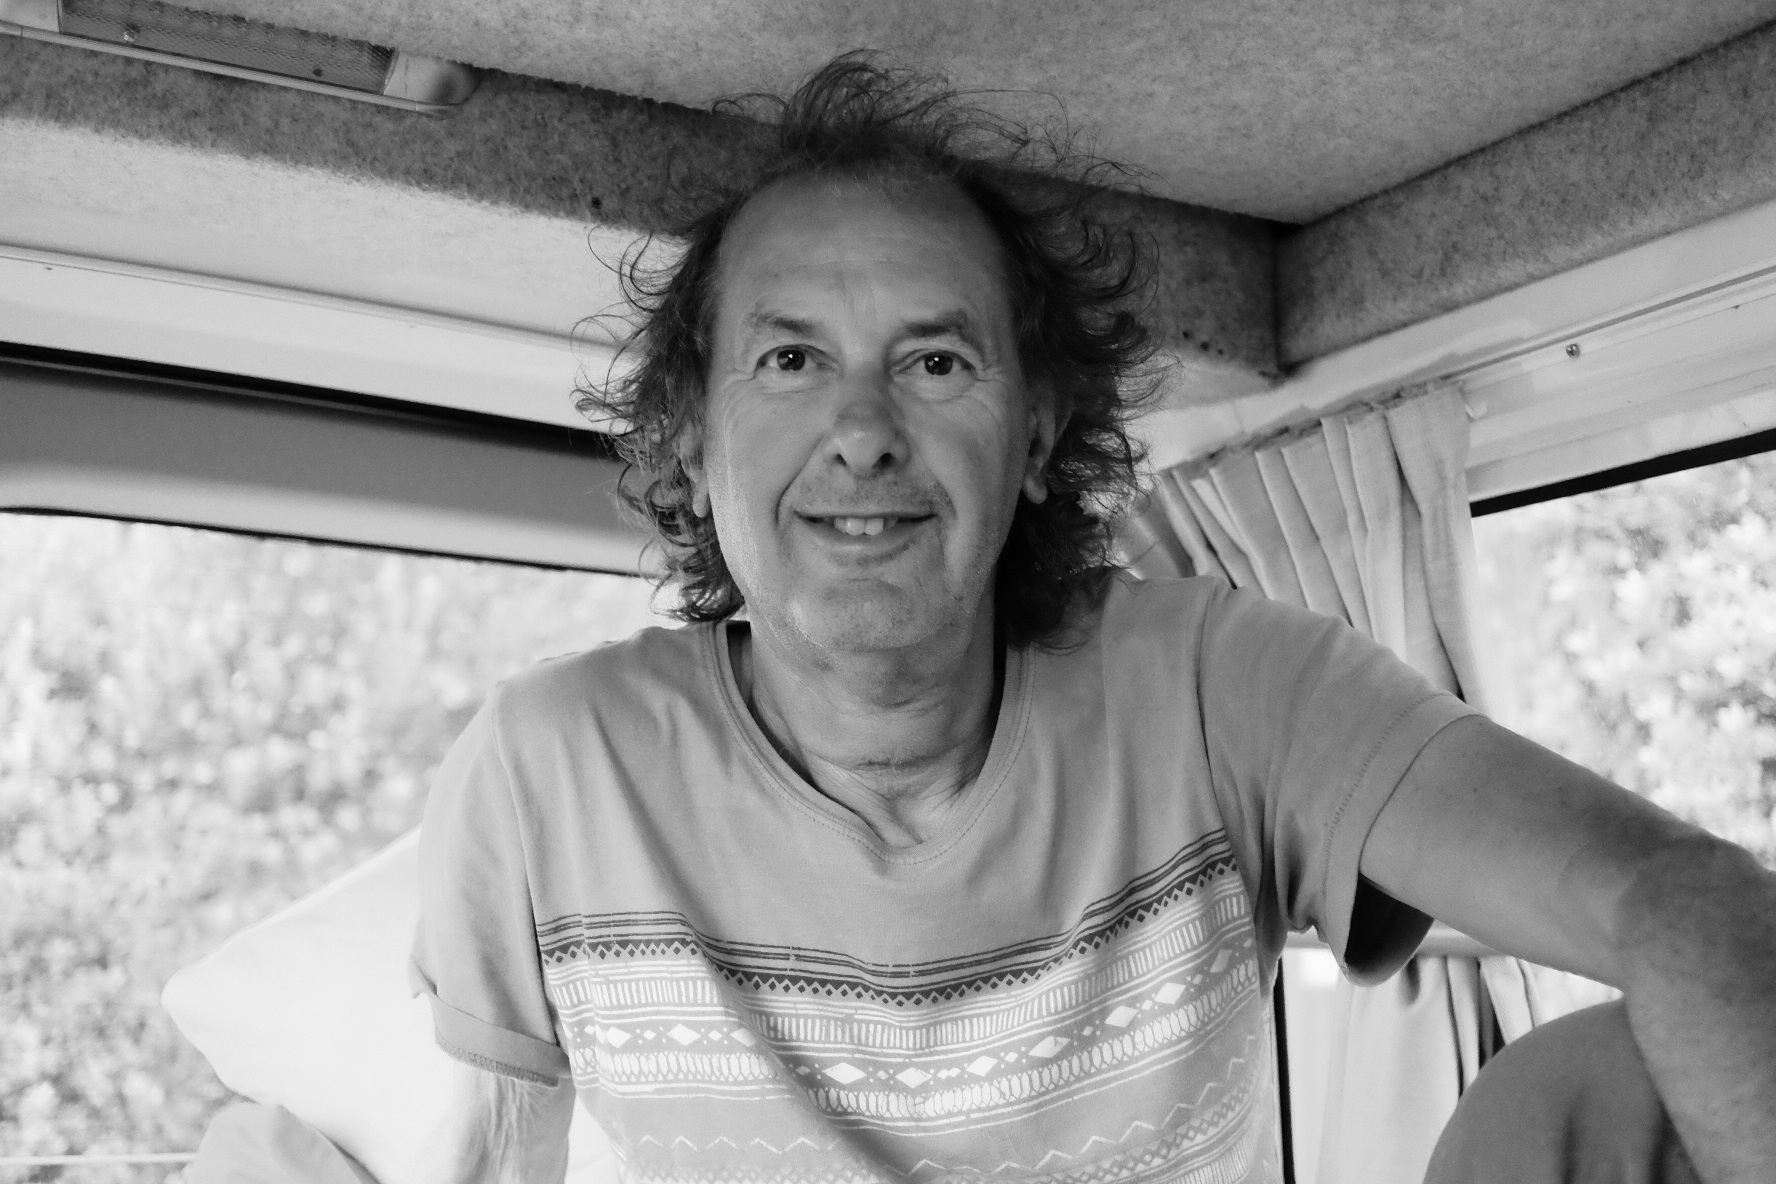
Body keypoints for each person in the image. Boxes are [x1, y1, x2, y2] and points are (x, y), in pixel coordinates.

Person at [408, 57, 1776, 1183]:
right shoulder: (543, 767)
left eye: (935, 361)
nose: (864, 432)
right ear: (692, 440)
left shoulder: (1221, 685)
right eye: (790, 358)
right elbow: (484, 1164)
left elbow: (1679, 899)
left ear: (1035, 436)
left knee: (1603, 1084)